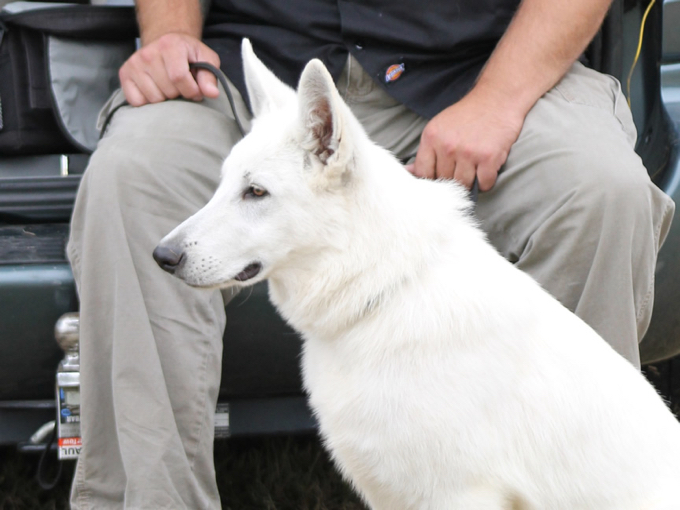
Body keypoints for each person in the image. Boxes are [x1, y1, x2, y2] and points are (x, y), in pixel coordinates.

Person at [66, 0, 674, 507]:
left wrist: (500, 97)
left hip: (475, 70)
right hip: (263, 81)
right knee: (130, 179)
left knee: (599, 189)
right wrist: (171, 34)